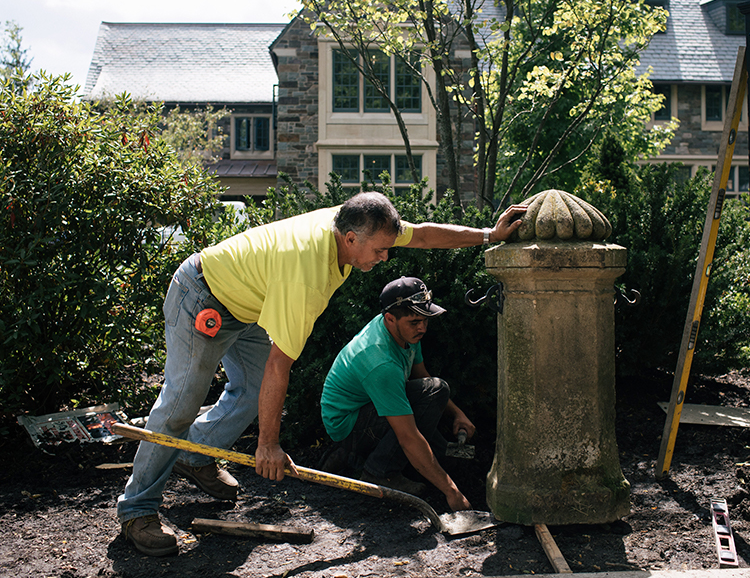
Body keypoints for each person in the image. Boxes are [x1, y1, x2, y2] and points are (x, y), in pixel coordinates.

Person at [118, 191, 525, 556]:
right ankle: (137, 509)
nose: (385, 258)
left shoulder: (359, 222)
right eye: (380, 250)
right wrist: (269, 446)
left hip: (248, 304)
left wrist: (489, 235)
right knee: (179, 407)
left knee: (253, 388)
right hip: (203, 295)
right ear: (351, 239)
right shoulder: (306, 274)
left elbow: (420, 235)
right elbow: (282, 363)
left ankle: (197, 454)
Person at [319, 276, 474, 511]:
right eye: (415, 322)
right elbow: (408, 437)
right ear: (390, 318)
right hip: (347, 425)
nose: (422, 328)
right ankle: (379, 472)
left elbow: (422, 378)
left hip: (369, 405)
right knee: (412, 426)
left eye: (425, 320)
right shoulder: (380, 362)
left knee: (436, 389)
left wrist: (458, 414)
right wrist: (452, 492)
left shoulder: (405, 331)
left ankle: (437, 455)